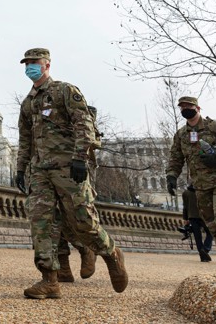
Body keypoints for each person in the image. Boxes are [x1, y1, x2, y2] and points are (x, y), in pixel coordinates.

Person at [16, 48, 128, 299]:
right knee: (41, 223)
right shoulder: (28, 102)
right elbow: (25, 139)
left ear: (46, 65)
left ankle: (111, 253)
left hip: (68, 167)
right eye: (26, 64)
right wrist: (21, 168)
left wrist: (80, 158)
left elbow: (84, 124)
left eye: (34, 62)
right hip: (40, 171)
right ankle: (49, 280)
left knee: (82, 221)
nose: (30, 67)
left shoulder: (65, 91)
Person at [165, 96, 216, 274]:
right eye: (182, 107)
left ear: (198, 108)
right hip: (201, 187)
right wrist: (171, 176)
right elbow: (176, 158)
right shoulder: (181, 135)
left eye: (189, 106)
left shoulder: (214, 127)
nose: (185, 109)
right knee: (214, 226)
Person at [55, 105, 102, 283]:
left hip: (75, 175)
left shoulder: (84, 116)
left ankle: (86, 249)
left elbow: (93, 140)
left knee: (77, 218)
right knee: (53, 217)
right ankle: (62, 266)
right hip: (51, 171)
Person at [175, 185, 213, 262]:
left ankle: (202, 256)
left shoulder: (185, 193)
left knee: (197, 237)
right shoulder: (205, 191)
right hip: (204, 216)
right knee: (210, 233)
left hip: (192, 216)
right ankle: (205, 249)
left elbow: (185, 207)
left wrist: (185, 218)